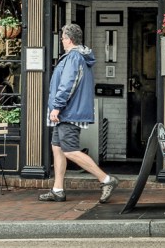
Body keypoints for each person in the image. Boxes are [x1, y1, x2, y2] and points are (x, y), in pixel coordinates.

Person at [39, 23, 119, 204]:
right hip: (66, 112)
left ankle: (106, 180)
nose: (61, 41)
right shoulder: (75, 57)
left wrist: (57, 107)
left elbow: (68, 83)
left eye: (63, 38)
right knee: (57, 148)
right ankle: (58, 190)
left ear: (69, 39)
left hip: (68, 112)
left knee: (70, 150)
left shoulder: (74, 57)